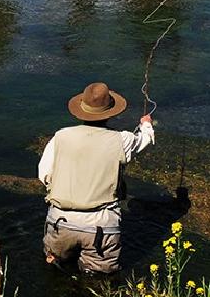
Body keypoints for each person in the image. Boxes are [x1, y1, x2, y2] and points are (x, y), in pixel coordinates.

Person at [38, 81, 155, 274]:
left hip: (60, 221)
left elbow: (44, 175)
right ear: (111, 112)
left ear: (82, 109)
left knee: (57, 269)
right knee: (98, 280)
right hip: (102, 227)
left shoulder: (60, 137)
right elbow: (144, 140)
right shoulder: (123, 140)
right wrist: (146, 125)